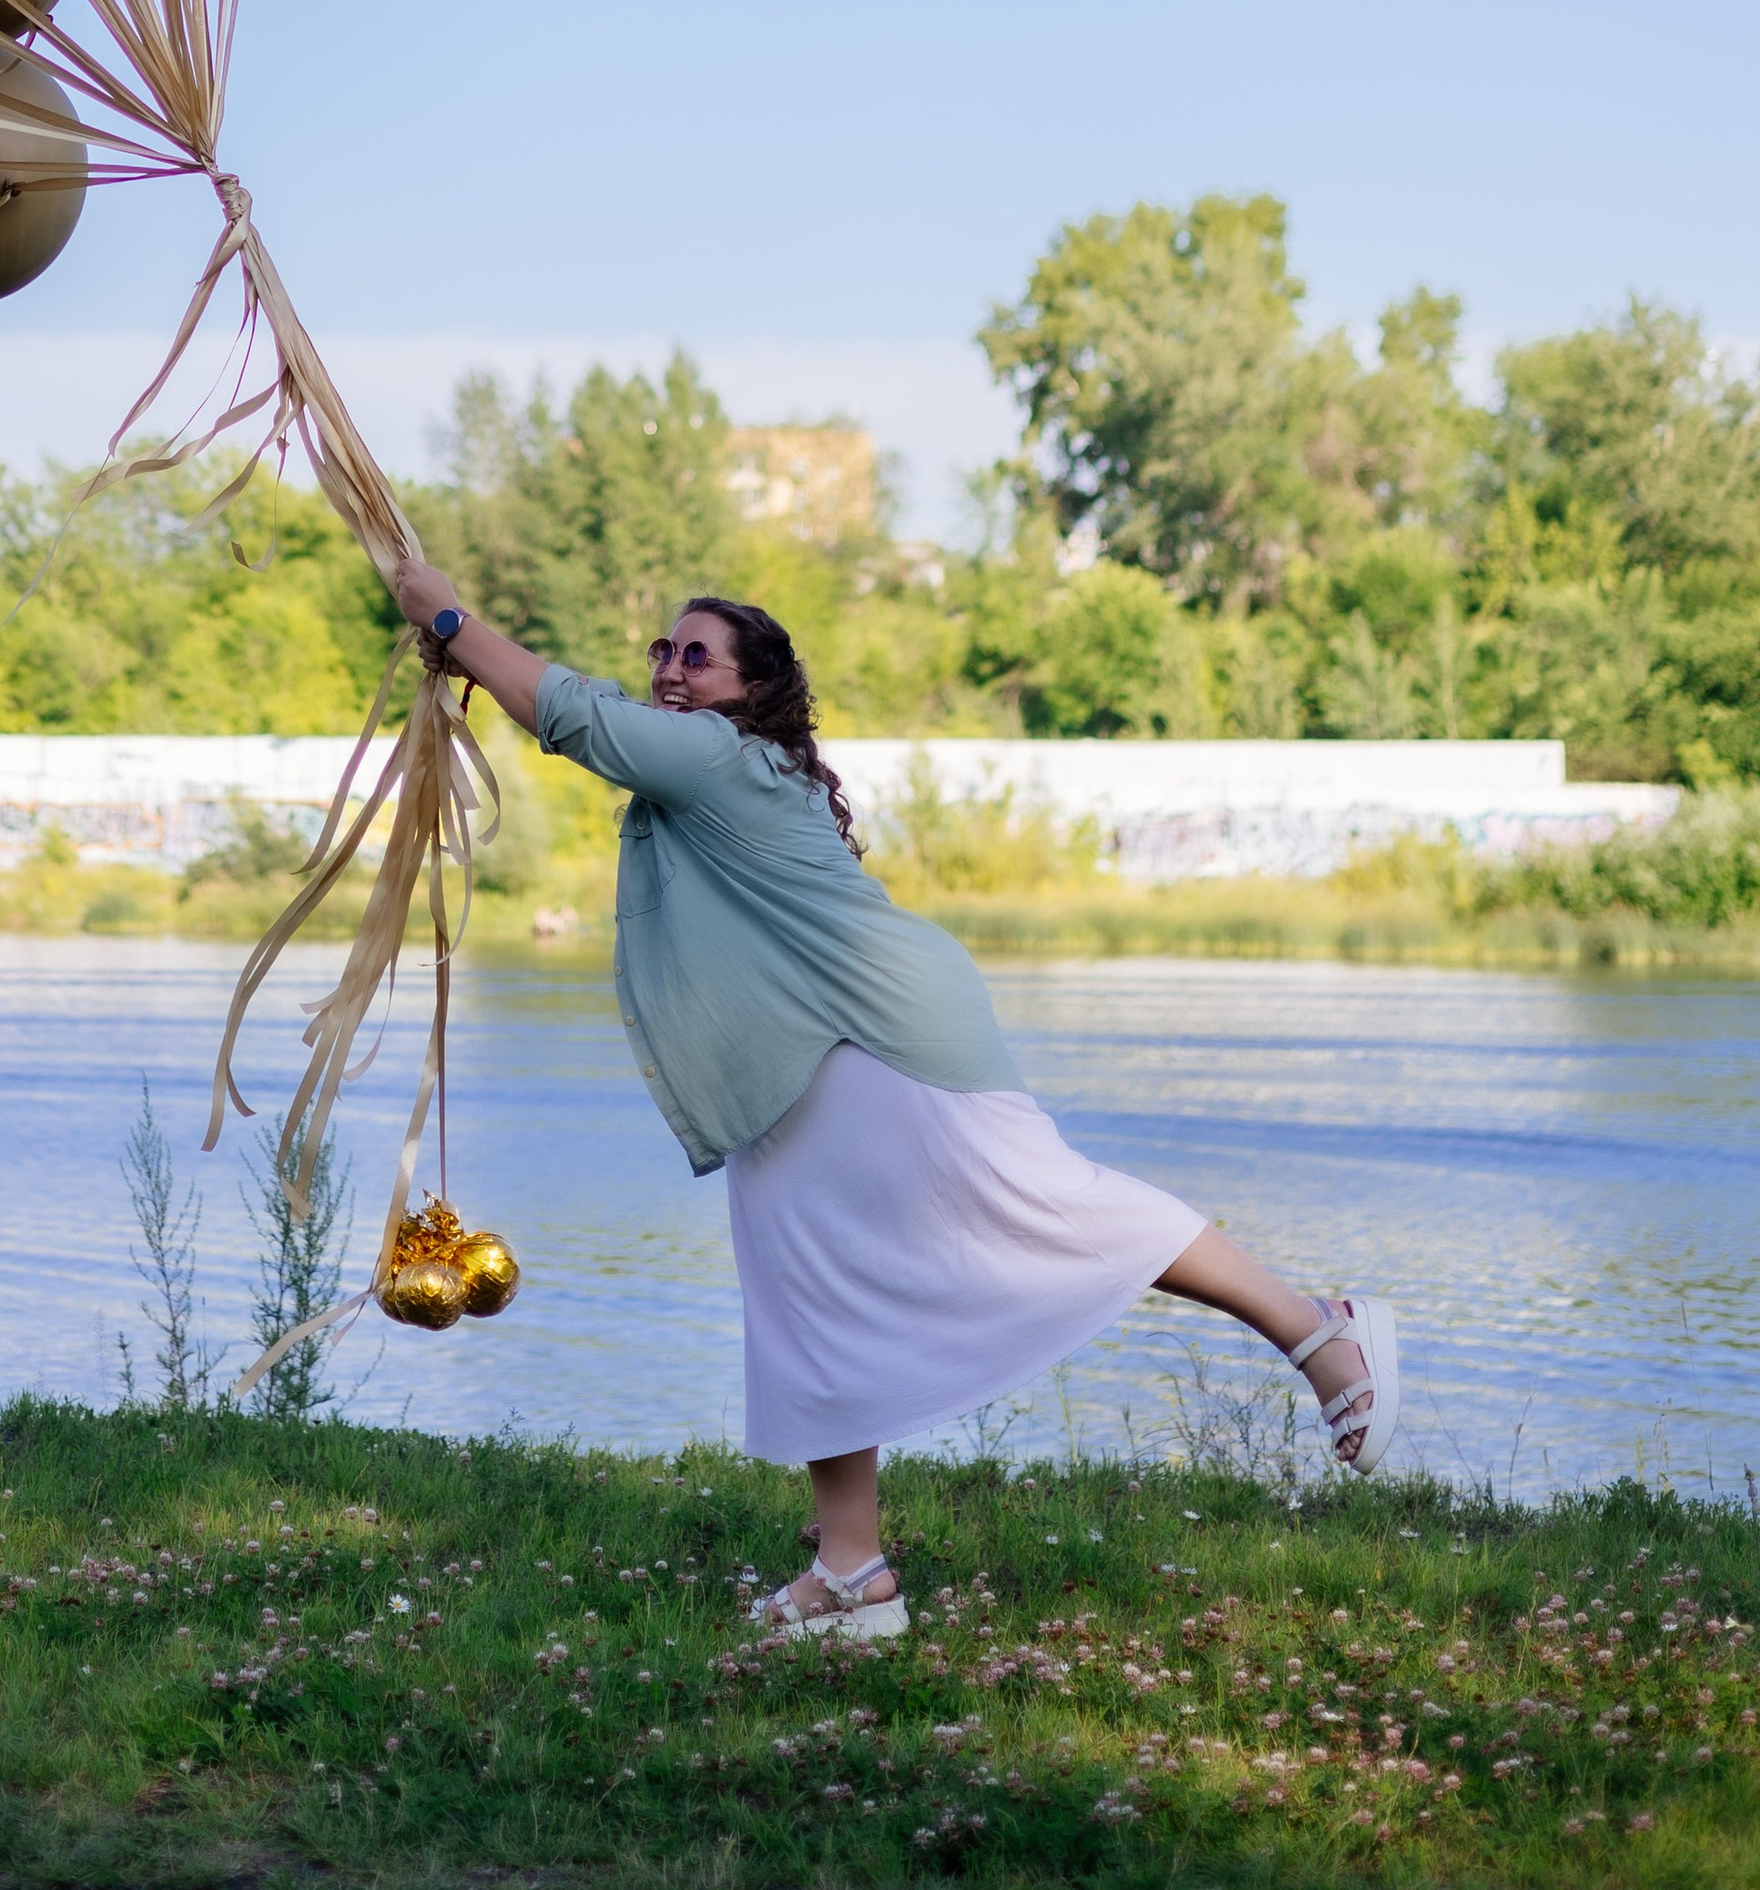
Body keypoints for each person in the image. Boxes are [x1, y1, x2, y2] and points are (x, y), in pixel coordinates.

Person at [393, 559, 1399, 1644]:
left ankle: (1321, 1336)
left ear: (751, 690)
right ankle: (851, 1572)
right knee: (805, 1294)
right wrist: (463, 653)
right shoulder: (703, 767)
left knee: (1052, 1205)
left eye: (698, 656)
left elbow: (572, 715)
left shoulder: (722, 758)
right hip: (794, 1064)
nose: (670, 670)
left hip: (882, 1030)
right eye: (663, 652)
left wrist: (449, 616)